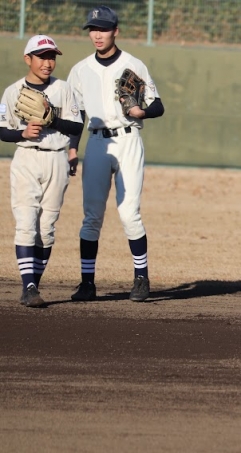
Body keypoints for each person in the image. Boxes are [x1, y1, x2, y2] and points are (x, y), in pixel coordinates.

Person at [67, 5, 165, 302]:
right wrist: (72, 148)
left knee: (129, 213)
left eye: (104, 29)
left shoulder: (133, 64)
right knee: (91, 216)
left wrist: (142, 112)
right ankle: (87, 283)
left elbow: (158, 105)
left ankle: (141, 278)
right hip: (97, 143)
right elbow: (76, 115)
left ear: (116, 31)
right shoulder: (80, 70)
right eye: (93, 29)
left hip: (128, 139)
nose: (97, 35)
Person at [0, 35, 83, 308]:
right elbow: (2, 130)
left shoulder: (63, 88)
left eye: (52, 57)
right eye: (42, 57)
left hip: (57, 158)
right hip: (27, 158)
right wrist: (21, 133)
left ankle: (33, 285)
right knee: (26, 223)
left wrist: (52, 119)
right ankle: (29, 286)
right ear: (28, 59)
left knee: (46, 228)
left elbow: (77, 126)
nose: (48, 63)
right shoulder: (12, 91)